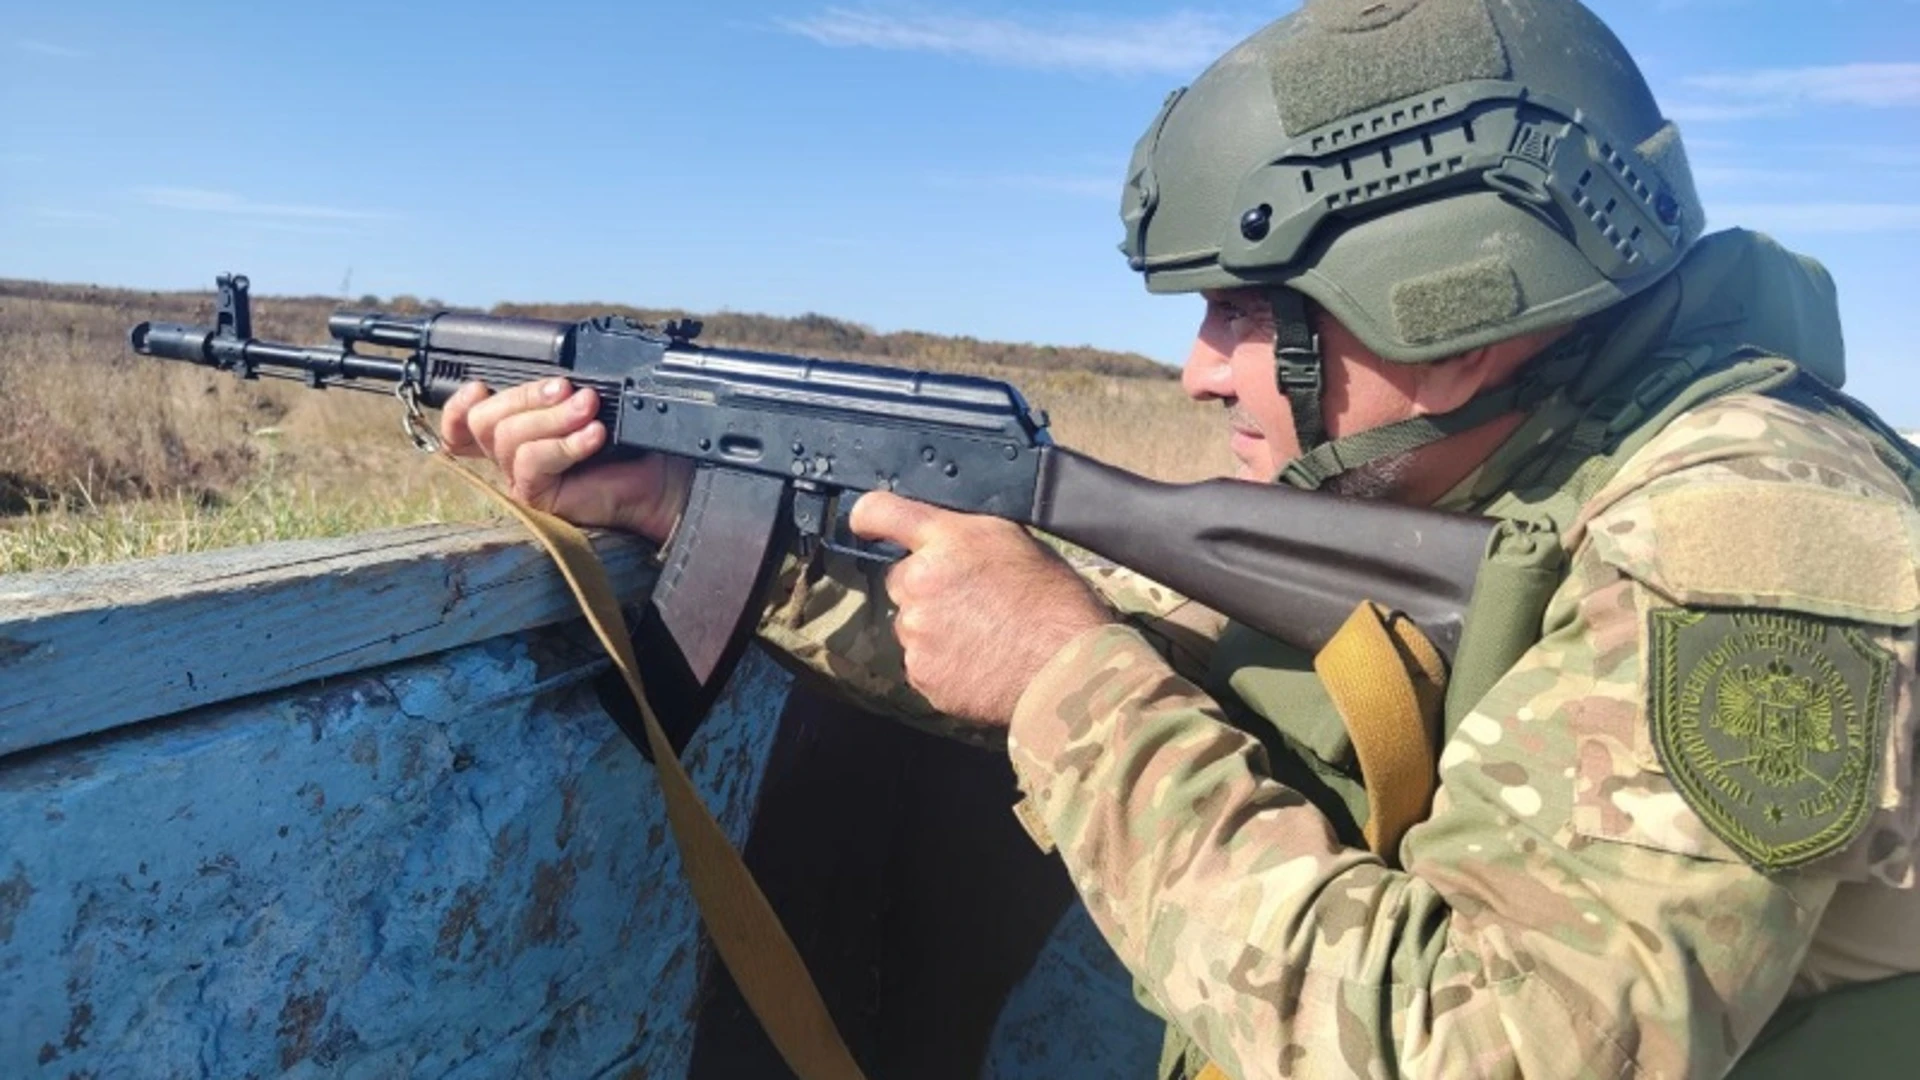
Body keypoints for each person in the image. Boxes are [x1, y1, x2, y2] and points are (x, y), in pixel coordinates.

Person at [440, 1, 1920, 1075]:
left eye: (1245, 310)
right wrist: (692, 511)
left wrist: (1070, 683)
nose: (1202, 371)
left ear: (1454, 306)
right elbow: (1186, 676)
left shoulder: (1745, 546)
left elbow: (1487, 1054)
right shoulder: (1512, 474)